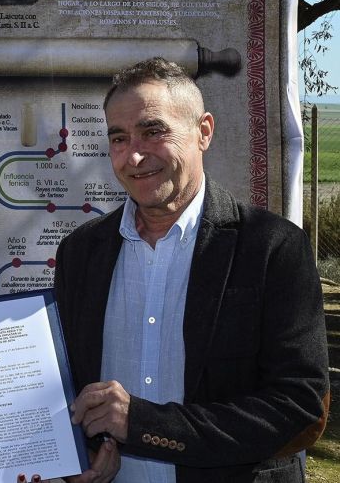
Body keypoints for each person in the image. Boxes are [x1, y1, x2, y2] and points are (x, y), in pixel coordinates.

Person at [55, 57, 329, 482]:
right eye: (119, 138)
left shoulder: (271, 248)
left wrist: (143, 424)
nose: (134, 155)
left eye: (153, 131)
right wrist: (79, 449)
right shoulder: (80, 252)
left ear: (203, 132)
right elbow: (64, 383)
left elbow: (299, 405)